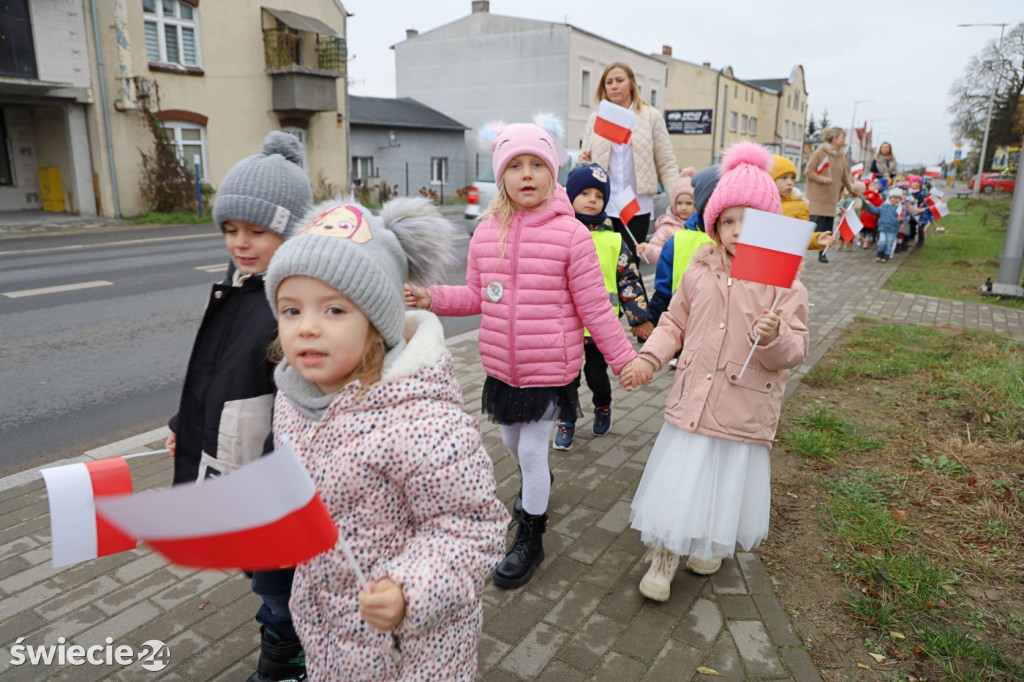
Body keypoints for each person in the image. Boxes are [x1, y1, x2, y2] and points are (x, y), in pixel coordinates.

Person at [265, 198, 509, 680]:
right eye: (291, 310)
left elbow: (471, 528)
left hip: (411, 649)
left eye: (334, 309)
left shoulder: (423, 419)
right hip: (328, 627)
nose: (307, 326)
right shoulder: (293, 400)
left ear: (377, 323)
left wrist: (408, 590)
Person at [406, 121, 637, 589]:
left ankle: (531, 534)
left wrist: (624, 359)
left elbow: (596, 306)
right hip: (501, 367)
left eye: (537, 164)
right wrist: (431, 298)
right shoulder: (487, 233)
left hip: (551, 367)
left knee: (531, 450)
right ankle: (537, 486)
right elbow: (475, 296)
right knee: (513, 446)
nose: (526, 174)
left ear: (553, 174)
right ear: (501, 176)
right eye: (515, 165)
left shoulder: (572, 236)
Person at [619, 142, 809, 601]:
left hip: (743, 405)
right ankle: (664, 556)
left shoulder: (784, 283)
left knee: (722, 485)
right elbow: (675, 323)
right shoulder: (698, 270)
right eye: (728, 221)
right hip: (695, 399)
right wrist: (648, 358)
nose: (738, 231)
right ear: (714, 224)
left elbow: (795, 349)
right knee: (681, 481)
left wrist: (774, 334)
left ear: (770, 223)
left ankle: (708, 543)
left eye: (749, 220)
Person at [164, 131, 313, 682]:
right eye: (230, 229)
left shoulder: (295, 301)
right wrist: (187, 423)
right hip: (237, 454)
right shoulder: (242, 284)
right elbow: (215, 369)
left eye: (257, 231)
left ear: (292, 232)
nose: (240, 243)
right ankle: (284, 642)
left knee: (278, 580)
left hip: (276, 471)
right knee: (260, 569)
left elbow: (305, 398)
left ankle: (287, 661)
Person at [553, 163, 653, 451]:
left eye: (598, 194)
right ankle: (566, 419)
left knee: (597, 376)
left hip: (600, 326)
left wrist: (639, 318)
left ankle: (603, 406)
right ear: (569, 196)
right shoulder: (559, 235)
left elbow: (629, 280)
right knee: (566, 378)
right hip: (564, 325)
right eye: (584, 192)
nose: (592, 199)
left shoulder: (614, 240)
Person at [580, 62, 680, 258]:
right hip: (604, 203)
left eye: (619, 80)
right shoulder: (597, 117)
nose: (614, 86)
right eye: (608, 82)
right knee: (603, 263)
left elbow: (667, 162)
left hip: (636, 203)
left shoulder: (650, 116)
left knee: (630, 263)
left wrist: (677, 202)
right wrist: (586, 159)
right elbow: (586, 163)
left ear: (632, 84)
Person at [805, 127, 858, 263]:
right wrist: (822, 179)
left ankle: (823, 253)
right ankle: (805, 250)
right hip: (818, 197)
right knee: (816, 226)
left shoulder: (841, 156)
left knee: (828, 227)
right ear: (834, 139)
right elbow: (809, 171)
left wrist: (851, 189)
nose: (844, 141)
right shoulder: (820, 153)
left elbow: (844, 176)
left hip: (832, 197)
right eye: (842, 138)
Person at [770, 154, 835, 253]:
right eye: (784, 178)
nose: (790, 182)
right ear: (770, 179)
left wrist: (816, 239)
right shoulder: (758, 203)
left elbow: (802, 235)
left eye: (792, 178)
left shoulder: (800, 205)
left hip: (785, 258)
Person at [637, 167, 697, 264]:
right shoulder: (666, 227)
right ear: (673, 203)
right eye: (679, 203)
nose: (684, 207)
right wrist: (648, 250)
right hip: (673, 275)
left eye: (689, 203)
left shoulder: (701, 225)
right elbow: (657, 249)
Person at [863, 187, 909, 262]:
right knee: (882, 241)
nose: (895, 199)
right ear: (890, 198)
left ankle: (886, 255)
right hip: (883, 228)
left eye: (897, 198)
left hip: (893, 229)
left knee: (889, 242)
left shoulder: (900, 209)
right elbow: (875, 210)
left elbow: (904, 218)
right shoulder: (884, 206)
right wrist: (869, 204)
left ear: (900, 200)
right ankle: (880, 254)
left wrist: (901, 219)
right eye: (893, 197)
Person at [858, 179, 885, 247]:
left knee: (869, 229)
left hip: (872, 215)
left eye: (874, 185)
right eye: (872, 185)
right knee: (862, 228)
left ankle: (866, 239)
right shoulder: (866, 195)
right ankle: (861, 238)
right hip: (865, 215)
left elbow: (879, 203)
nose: (874, 187)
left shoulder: (877, 195)